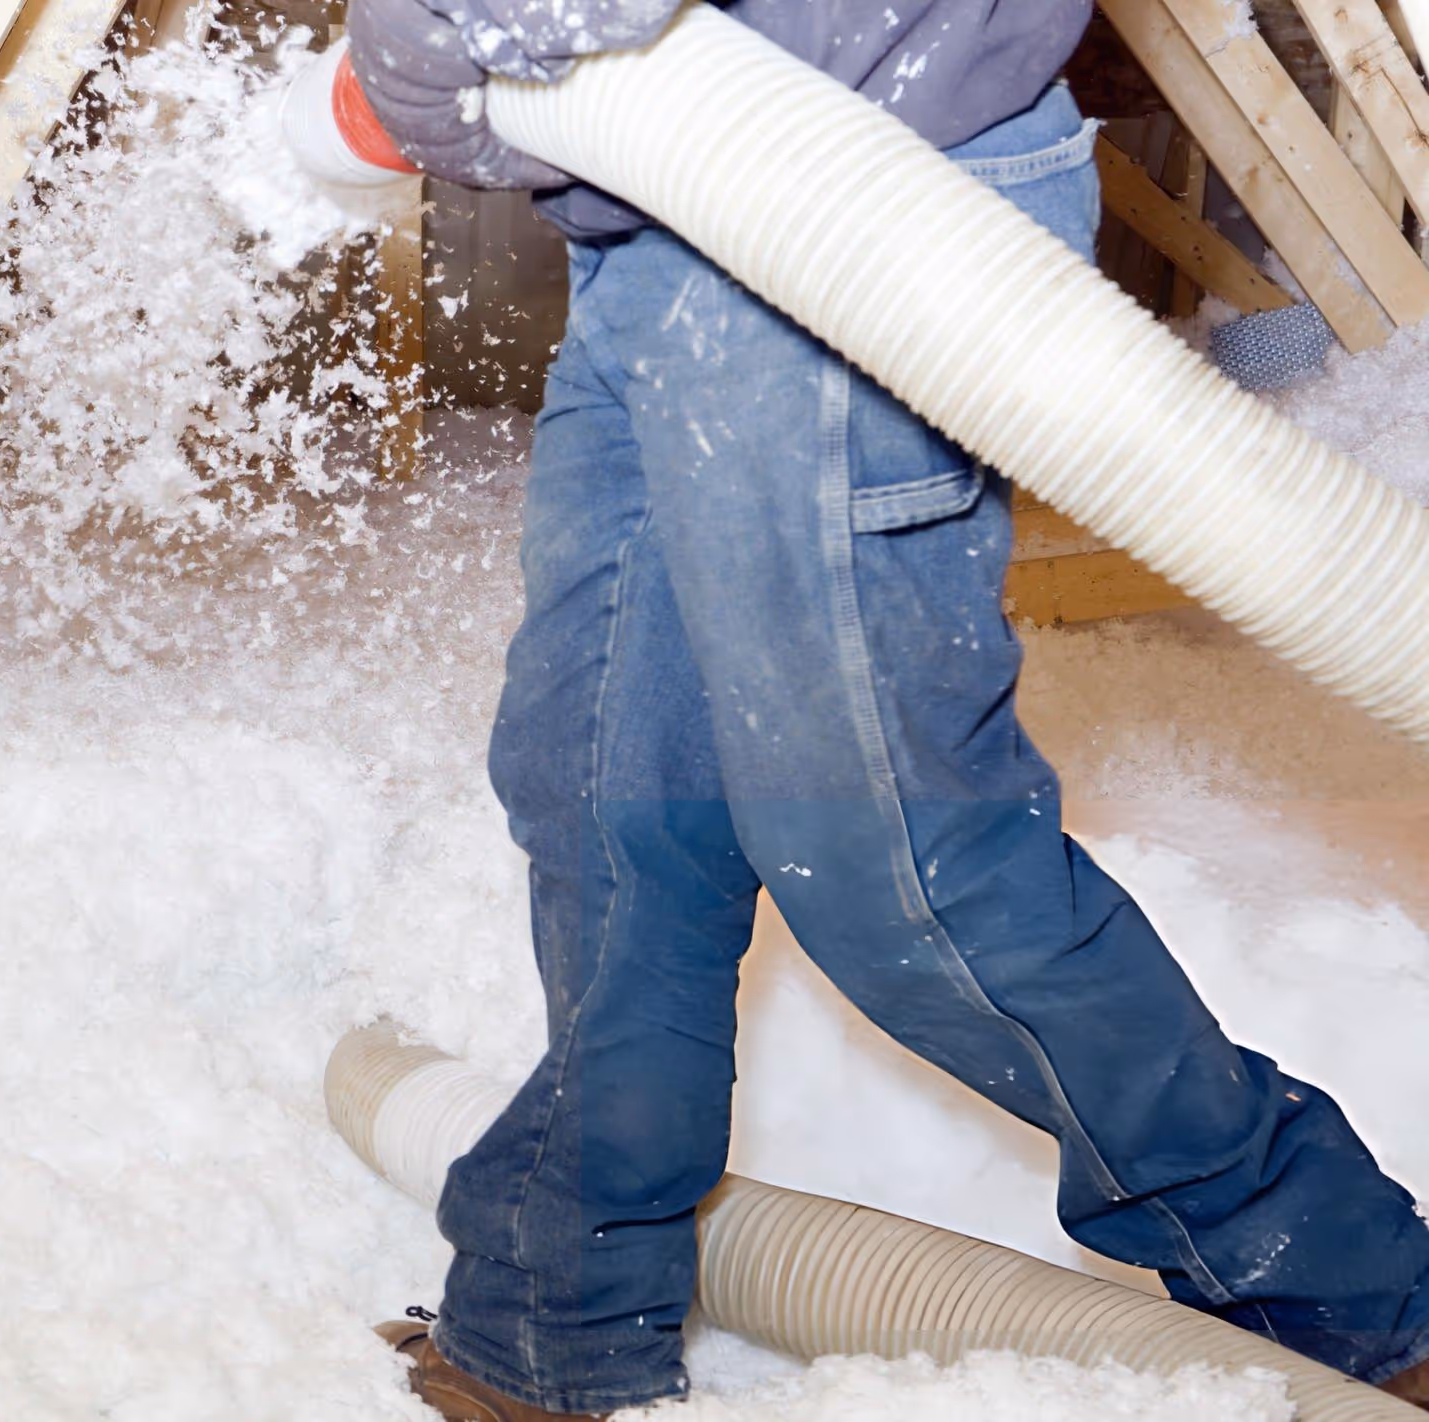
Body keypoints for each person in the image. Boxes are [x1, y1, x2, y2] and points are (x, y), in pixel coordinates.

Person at [343, 0, 1429, 1415]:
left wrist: (415, 61)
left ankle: (1359, 1295)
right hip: (669, 199)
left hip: (859, 200)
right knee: (608, 792)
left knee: (899, 866)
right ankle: (557, 1312)